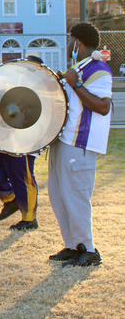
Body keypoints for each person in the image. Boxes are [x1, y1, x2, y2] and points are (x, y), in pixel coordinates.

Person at [48, 23, 112, 267]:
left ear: (78, 43)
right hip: (63, 141)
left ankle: (89, 249)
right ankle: (73, 245)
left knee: (76, 196)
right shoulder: (76, 69)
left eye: (69, 39)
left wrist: (75, 84)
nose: (67, 44)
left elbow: (103, 107)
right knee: (59, 195)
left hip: (80, 143)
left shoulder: (99, 70)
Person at [0, 55, 44, 231]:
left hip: (25, 140)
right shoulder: (14, 84)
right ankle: (10, 200)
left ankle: (29, 218)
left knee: (22, 177)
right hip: (6, 136)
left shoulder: (41, 88)